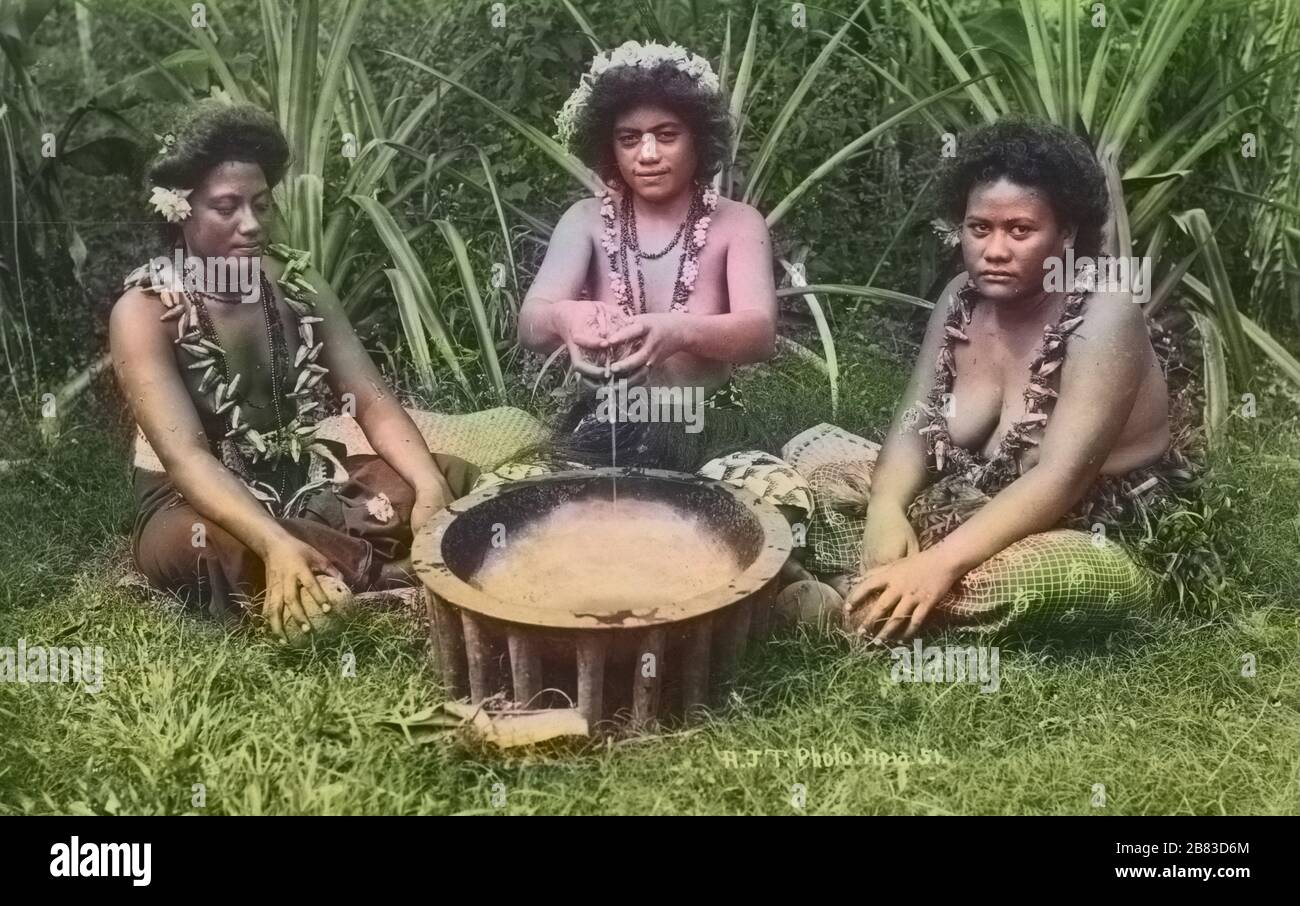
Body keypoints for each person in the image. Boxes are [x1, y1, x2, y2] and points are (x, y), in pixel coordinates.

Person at [785, 120, 1192, 640]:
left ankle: (854, 596)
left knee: (1036, 576)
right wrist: (886, 510)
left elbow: (1059, 479)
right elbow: (914, 422)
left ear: (1065, 235)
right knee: (810, 454)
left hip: (1078, 521)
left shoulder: (1104, 316)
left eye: (1020, 231)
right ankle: (881, 593)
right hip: (965, 493)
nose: (994, 250)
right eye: (980, 228)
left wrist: (938, 565)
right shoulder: (960, 297)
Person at [110, 103, 476, 643]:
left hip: (302, 475)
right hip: (194, 500)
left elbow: (370, 399)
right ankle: (383, 573)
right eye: (226, 208)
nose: (252, 224)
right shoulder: (142, 312)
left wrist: (425, 487)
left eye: (260, 203)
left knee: (452, 476)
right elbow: (185, 455)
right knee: (216, 546)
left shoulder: (297, 284)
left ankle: (336, 573)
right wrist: (273, 542)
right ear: (179, 211)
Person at [482, 41, 812, 523]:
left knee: (778, 501)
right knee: (503, 499)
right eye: (629, 138)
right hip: (608, 419)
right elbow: (531, 325)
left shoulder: (738, 223)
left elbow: (759, 335)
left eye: (666, 134)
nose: (648, 154)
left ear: (699, 139)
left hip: (707, 421)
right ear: (609, 146)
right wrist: (566, 317)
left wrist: (677, 331)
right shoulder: (585, 220)